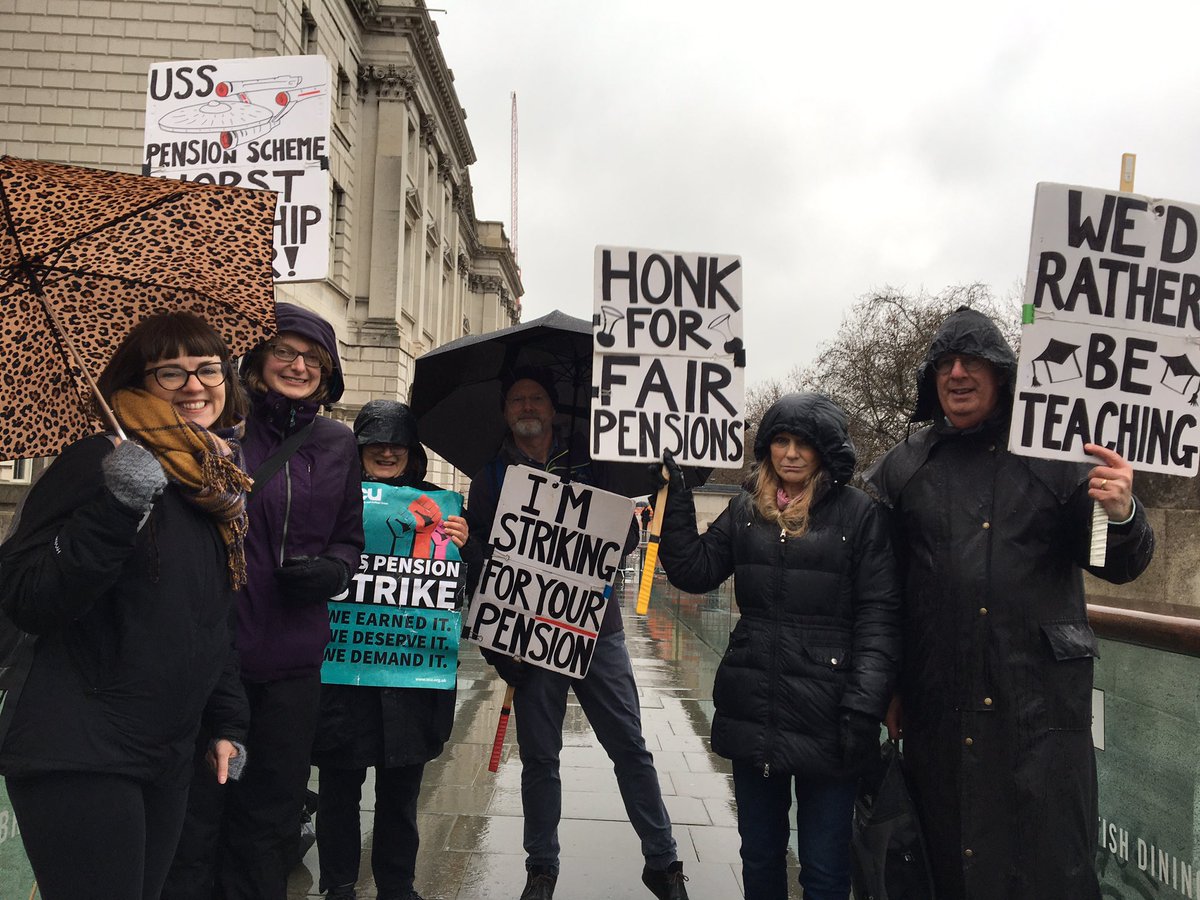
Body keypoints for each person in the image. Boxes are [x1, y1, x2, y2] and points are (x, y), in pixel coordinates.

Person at [863, 307, 1155, 900]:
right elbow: (882, 591)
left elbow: (1116, 562)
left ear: (1002, 373)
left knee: (1044, 862)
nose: (957, 373)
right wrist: (888, 685)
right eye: (944, 363)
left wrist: (1122, 511)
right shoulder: (904, 468)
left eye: (971, 361)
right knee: (946, 859)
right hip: (937, 701)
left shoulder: (1061, 458)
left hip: (1038, 708)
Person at [0, 312, 251, 900]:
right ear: (137, 382)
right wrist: (117, 507)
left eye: (208, 368)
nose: (195, 386)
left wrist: (226, 722)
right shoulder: (97, 462)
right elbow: (28, 596)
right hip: (79, 746)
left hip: (165, 748)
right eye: (171, 372)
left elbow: (208, 622)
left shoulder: (214, 485)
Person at [656, 392, 901, 900]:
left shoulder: (860, 516)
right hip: (757, 711)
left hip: (831, 717)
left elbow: (880, 619)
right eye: (780, 441)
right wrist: (678, 500)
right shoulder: (746, 510)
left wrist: (864, 706)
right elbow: (694, 571)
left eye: (803, 444)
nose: (790, 454)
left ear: (826, 452)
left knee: (825, 867)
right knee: (760, 856)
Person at [164, 302, 365, 900]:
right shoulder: (218, 431)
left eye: (313, 357)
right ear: (256, 357)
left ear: (327, 374)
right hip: (209, 656)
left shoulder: (336, 443)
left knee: (268, 818)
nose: (298, 365)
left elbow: (349, 539)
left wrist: (332, 570)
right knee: (196, 820)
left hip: (292, 665)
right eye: (284, 351)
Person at [466, 367, 689, 900]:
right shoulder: (490, 477)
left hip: (597, 627)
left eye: (535, 397)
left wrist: (623, 527)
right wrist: (496, 646)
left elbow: (627, 543)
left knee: (630, 748)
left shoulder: (593, 464)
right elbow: (477, 557)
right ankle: (541, 868)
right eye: (517, 397)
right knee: (540, 757)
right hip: (526, 634)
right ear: (506, 412)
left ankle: (663, 862)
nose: (527, 406)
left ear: (551, 408)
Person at [313, 400, 481, 900]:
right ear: (358, 449)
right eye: (375, 444)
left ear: (412, 452)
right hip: (343, 680)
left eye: (397, 444)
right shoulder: (331, 499)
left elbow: (464, 594)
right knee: (338, 790)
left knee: (401, 794)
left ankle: (397, 885)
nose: (387, 452)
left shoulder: (443, 507)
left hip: (410, 682)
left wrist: (465, 546)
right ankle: (339, 883)